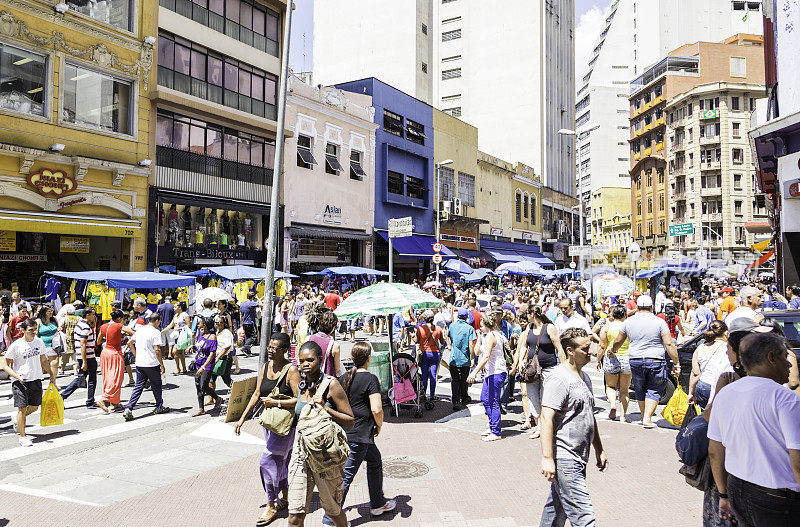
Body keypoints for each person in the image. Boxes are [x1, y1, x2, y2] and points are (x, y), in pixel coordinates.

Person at [708, 331, 800, 526]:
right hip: (777, 498)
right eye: (785, 356)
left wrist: (723, 494)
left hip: (738, 489)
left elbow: (715, 451)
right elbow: (798, 461)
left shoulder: (725, 394)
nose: (790, 363)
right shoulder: (785, 399)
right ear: (771, 358)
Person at [539, 327, 608, 527]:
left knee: (556, 511)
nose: (591, 351)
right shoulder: (559, 378)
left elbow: (589, 416)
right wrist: (547, 458)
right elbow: (546, 417)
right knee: (584, 518)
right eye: (585, 348)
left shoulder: (584, 377)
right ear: (570, 351)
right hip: (565, 458)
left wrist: (599, 448)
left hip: (580, 456)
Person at [321, 343, 396, 525]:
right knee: (346, 476)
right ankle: (330, 517)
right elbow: (377, 409)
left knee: (374, 460)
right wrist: (379, 426)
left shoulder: (345, 376)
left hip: (347, 431)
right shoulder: (370, 379)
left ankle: (377, 503)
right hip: (359, 434)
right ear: (369, 359)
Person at [287, 341, 354, 527]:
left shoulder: (331, 384)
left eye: (310, 360)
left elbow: (350, 420)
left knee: (333, 511)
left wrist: (326, 408)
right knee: (295, 516)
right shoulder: (301, 385)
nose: (305, 364)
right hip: (301, 454)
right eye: (301, 361)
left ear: (320, 359)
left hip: (325, 458)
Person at [235, 332, 299, 526]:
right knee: (282, 461)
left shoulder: (291, 370)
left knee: (267, 461)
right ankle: (286, 498)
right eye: (269, 347)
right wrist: (242, 418)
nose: (270, 351)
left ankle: (271, 504)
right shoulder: (265, 366)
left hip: (285, 425)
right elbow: (256, 394)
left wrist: (276, 402)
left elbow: (300, 400)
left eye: (274, 348)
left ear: (285, 350)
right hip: (270, 423)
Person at [610, 294, 680, 429]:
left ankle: (644, 416)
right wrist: (676, 362)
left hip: (635, 359)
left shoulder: (628, 322)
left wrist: (613, 350)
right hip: (655, 360)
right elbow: (669, 344)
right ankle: (647, 418)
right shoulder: (659, 322)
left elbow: (618, 340)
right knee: (654, 388)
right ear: (652, 307)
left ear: (637, 307)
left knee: (640, 388)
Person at [1, 319, 57, 446]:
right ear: (23, 331)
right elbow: (5, 365)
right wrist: (16, 376)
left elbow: (43, 360)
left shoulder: (39, 342)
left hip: (36, 379)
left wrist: (51, 374)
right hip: (20, 382)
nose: (33, 332)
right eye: (30, 330)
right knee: (22, 408)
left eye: (35, 329)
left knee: (35, 406)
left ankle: (17, 419)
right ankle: (22, 436)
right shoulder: (16, 345)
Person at [515, 304, 564, 439]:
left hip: (549, 368)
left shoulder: (549, 328)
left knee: (547, 399)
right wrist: (520, 361)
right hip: (531, 369)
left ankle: (549, 426)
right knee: (532, 398)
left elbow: (559, 348)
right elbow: (524, 346)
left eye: (527, 315)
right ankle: (539, 427)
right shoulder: (529, 328)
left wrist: (565, 367)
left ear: (532, 314)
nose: (525, 317)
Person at [467, 314, 507, 442]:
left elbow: (486, 356)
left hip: (496, 371)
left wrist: (474, 372)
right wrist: (479, 337)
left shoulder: (492, 336)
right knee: (485, 398)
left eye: (481, 326)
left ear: (486, 325)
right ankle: (492, 427)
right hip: (491, 372)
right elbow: (477, 352)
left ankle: (496, 431)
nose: (480, 328)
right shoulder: (490, 335)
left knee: (493, 400)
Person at [123, 313, 169, 421]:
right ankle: (159, 406)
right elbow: (157, 350)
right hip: (151, 363)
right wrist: (162, 364)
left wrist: (136, 355)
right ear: (157, 321)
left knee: (138, 386)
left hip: (140, 363)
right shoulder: (155, 332)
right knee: (157, 385)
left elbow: (129, 342)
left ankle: (129, 407)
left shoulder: (140, 330)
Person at [60, 308, 102, 410]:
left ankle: (63, 396)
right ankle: (89, 401)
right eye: (92, 314)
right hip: (88, 357)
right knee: (90, 379)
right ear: (87, 315)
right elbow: (83, 344)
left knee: (81, 378)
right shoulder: (85, 327)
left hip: (83, 356)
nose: (94, 316)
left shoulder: (80, 325)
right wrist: (84, 361)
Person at [597, 305, 632, 422]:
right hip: (627, 358)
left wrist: (598, 359)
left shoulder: (607, 327)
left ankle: (613, 405)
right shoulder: (628, 326)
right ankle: (623, 417)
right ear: (625, 315)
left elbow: (602, 346)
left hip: (611, 357)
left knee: (610, 386)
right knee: (624, 390)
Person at [96, 310, 133, 412]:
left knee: (108, 377)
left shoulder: (103, 326)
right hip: (115, 353)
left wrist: (109, 339)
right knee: (116, 378)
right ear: (119, 319)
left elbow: (98, 341)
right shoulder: (118, 325)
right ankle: (104, 399)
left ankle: (115, 403)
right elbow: (132, 333)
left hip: (105, 352)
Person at [687, 321, 729, 409]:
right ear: (726, 333)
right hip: (721, 386)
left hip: (703, 385)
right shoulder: (729, 348)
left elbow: (695, 373)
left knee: (704, 415)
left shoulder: (700, 348)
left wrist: (691, 393)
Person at [414, 310, 448, 410]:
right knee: (433, 375)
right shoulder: (438, 328)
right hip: (435, 353)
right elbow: (442, 341)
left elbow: (416, 340)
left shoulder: (420, 328)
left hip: (425, 353)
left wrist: (414, 336)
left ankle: (424, 395)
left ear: (424, 318)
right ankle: (432, 395)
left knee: (424, 375)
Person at [447, 308, 477, 411]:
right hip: (465, 359)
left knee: (455, 380)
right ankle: (464, 397)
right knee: (464, 379)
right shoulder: (469, 328)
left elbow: (448, 337)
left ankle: (455, 401)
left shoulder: (452, 326)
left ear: (457, 316)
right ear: (467, 317)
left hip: (454, 358)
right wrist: (472, 358)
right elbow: (471, 344)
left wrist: (450, 345)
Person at [193, 316, 223, 416]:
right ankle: (201, 409)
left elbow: (212, 354)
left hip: (207, 365)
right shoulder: (201, 335)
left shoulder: (212, 337)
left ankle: (217, 398)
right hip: (198, 363)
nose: (198, 324)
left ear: (205, 325)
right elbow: (200, 347)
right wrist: (192, 347)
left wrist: (203, 367)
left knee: (203, 386)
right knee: (198, 387)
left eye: (200, 323)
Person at [307, 307, 342, 377]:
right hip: (327, 381)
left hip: (310, 378)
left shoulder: (308, 338)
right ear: (333, 328)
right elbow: (337, 368)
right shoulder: (334, 345)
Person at [161, 301, 190, 374]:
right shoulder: (175, 316)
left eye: (175, 307)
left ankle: (179, 368)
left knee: (175, 351)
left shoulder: (185, 315)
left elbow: (188, 325)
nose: (174, 308)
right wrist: (162, 331)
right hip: (177, 336)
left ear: (180, 307)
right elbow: (170, 325)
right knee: (180, 352)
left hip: (183, 335)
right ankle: (183, 368)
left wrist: (179, 329)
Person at [36, 305, 61, 386]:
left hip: (54, 345)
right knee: (41, 365)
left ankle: (53, 382)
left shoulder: (54, 320)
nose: (51, 313)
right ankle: (38, 383)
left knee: (55, 363)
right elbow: (36, 334)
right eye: (49, 311)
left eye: (51, 311)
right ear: (44, 312)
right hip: (42, 345)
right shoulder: (38, 321)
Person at [240, 291, 259, 356]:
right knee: (253, 336)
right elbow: (261, 304)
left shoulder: (242, 303)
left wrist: (241, 323)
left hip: (244, 322)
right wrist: (258, 298)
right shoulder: (251, 303)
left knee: (248, 337)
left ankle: (248, 351)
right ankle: (245, 348)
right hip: (250, 322)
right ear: (253, 297)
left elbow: (240, 314)